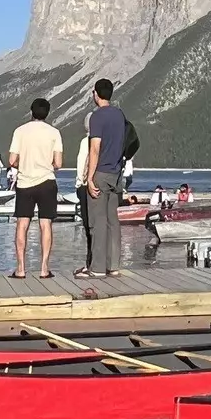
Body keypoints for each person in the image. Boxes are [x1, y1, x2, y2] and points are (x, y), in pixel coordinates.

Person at [7, 96, 66, 279]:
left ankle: (21, 269)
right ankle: (44, 269)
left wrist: (22, 164)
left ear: (31, 112)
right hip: (47, 182)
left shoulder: (20, 131)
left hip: (25, 183)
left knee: (22, 224)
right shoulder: (54, 133)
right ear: (47, 113)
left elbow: (11, 160)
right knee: (45, 224)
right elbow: (58, 163)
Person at [85, 78, 128, 276]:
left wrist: (89, 177)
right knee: (113, 220)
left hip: (101, 171)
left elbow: (95, 148)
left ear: (96, 94)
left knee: (97, 221)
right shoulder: (119, 114)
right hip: (116, 173)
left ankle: (98, 268)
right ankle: (114, 266)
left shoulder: (97, 117)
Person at [71, 115, 95, 280]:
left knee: (89, 228)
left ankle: (90, 264)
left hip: (86, 185)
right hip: (100, 185)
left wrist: (79, 183)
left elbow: (81, 164)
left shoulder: (86, 141)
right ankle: (99, 263)